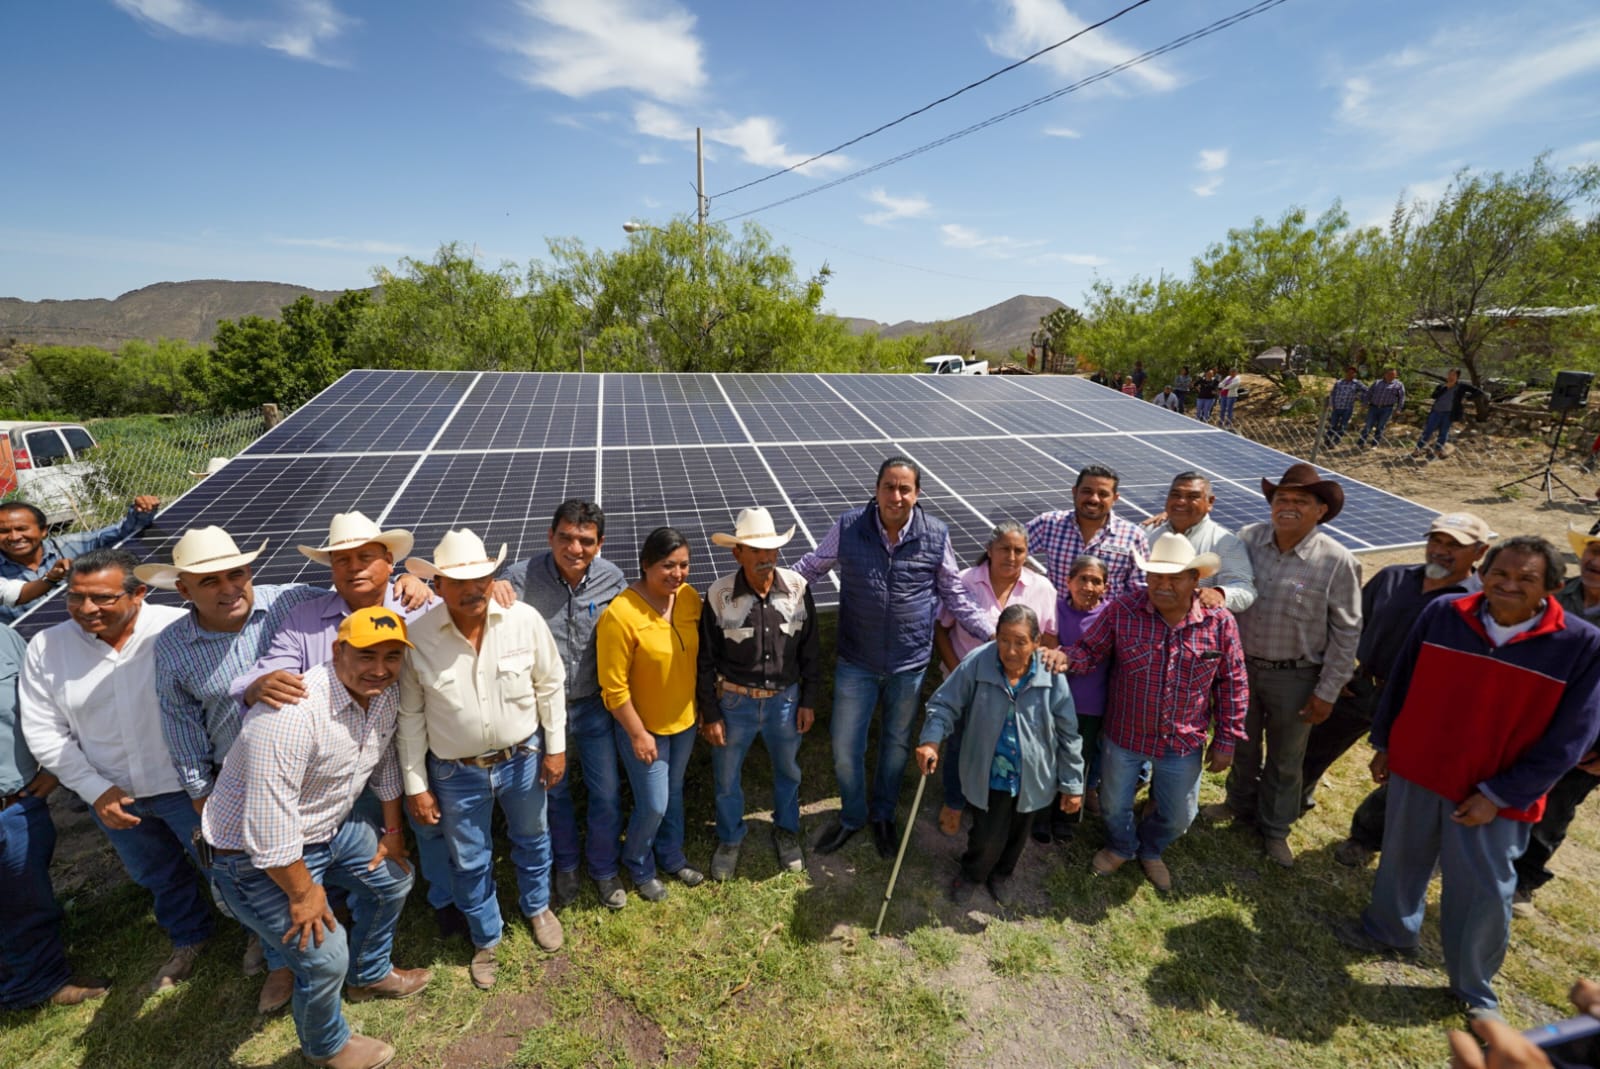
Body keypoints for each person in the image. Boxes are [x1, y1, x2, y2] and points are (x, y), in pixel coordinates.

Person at [1338, 536, 1600, 1021]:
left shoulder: (1580, 644)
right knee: (1403, 856)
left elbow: (1573, 737)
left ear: (1552, 587)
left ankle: (1472, 987)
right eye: (1500, 573)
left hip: (1494, 792)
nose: (1509, 585)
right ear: (1483, 572)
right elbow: (1402, 681)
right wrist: (1386, 744)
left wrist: (1500, 795)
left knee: (1483, 889)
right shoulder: (1444, 614)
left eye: (1526, 578)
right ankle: (1389, 929)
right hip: (1420, 768)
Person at [204, 607, 430, 1069]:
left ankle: (369, 974)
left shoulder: (382, 695)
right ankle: (325, 1047)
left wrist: (391, 832)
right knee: (325, 956)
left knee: (391, 879)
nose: (381, 668)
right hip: (253, 856)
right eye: (367, 655)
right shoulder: (289, 715)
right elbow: (267, 832)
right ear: (338, 650)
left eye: (392, 656)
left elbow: (383, 761)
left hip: (326, 826)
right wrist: (305, 893)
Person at [229, 511, 464, 936]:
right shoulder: (304, 617)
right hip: (329, 763)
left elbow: (469, 610)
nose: (354, 567)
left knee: (428, 830)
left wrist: (427, 585)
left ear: (389, 562)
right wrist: (257, 686)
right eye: (342, 560)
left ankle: (442, 901)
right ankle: (340, 917)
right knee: (332, 842)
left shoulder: (419, 605)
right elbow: (265, 676)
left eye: (365, 557)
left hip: (408, 747)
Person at [143, 526, 327, 1014]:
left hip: (316, 768)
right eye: (210, 582)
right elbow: (180, 727)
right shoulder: (173, 647)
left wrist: (406, 583)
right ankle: (279, 959)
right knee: (261, 875)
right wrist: (205, 803)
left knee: (321, 860)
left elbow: (359, 598)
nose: (229, 588)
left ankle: (334, 945)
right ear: (184, 590)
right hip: (239, 779)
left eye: (237, 573)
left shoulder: (293, 602)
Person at [19, 548, 207, 993]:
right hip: (112, 792)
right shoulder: (48, 647)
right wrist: (94, 789)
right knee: (156, 874)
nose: (86, 609)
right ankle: (190, 938)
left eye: (102, 598)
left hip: (186, 785)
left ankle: (259, 936)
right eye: (75, 597)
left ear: (138, 593)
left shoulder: (175, 629)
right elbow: (44, 730)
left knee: (224, 865)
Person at [795, 457, 994, 859]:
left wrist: (996, 633)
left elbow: (955, 593)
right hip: (856, 659)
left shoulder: (935, 535)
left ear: (917, 495)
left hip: (909, 664)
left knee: (896, 745)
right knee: (845, 746)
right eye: (889, 486)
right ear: (876, 489)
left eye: (905, 489)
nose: (896, 496)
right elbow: (811, 567)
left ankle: (883, 815)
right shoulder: (850, 526)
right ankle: (853, 816)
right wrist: (767, 591)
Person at [399, 530, 568, 989]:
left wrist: (555, 748)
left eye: (482, 577)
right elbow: (410, 716)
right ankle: (485, 937)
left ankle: (537, 908)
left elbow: (550, 684)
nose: (473, 588)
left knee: (533, 839)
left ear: (493, 576)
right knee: (470, 860)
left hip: (524, 760)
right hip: (456, 774)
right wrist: (416, 785)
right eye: (459, 581)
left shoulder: (523, 620)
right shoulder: (418, 638)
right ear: (439, 585)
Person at [1303, 512, 1494, 866]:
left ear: (1480, 552)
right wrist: (1340, 670)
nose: (1440, 551)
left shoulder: (1479, 605)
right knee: (1313, 746)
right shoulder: (1393, 577)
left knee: (1396, 778)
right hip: (1359, 687)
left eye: (1455, 546)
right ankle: (1293, 800)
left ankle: (1365, 838)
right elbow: (1349, 624)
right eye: (1436, 541)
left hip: (1417, 705)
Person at [1061, 534, 1248, 892]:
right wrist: (1065, 658)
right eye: (1155, 576)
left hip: (1183, 739)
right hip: (1125, 734)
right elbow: (1089, 650)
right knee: (1115, 805)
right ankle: (1121, 846)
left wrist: (1227, 738)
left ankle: (1151, 847)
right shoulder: (1123, 610)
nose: (1162, 585)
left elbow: (1233, 681)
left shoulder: (1219, 622)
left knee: (1180, 816)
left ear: (1195, 579)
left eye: (1174, 577)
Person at [1203, 464, 1360, 867]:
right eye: (1281, 499)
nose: (1288, 507)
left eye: (1300, 501)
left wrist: (1327, 690)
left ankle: (1275, 829)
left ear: (1320, 510)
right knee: (1242, 744)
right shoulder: (1246, 541)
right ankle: (1236, 805)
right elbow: (1206, 567)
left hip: (1297, 676)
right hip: (1241, 670)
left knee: (1287, 758)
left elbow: (1346, 631)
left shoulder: (1337, 561)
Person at [503, 500, 629, 910]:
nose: (575, 548)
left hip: (593, 706)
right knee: (553, 795)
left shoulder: (612, 579)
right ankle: (567, 865)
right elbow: (472, 606)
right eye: (566, 538)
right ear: (550, 537)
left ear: (600, 544)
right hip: (541, 711)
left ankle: (604, 868)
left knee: (606, 792)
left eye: (586, 541)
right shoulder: (519, 579)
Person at [916, 603, 1082, 906]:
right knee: (986, 835)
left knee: (1019, 835)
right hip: (988, 771)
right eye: (1004, 639)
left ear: (1036, 642)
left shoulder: (1050, 674)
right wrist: (931, 740)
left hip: (1033, 775)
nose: (1011, 650)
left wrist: (1072, 784)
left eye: (1020, 642)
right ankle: (972, 874)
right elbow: (944, 704)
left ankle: (1003, 874)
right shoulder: (978, 662)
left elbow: (1068, 732)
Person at [698, 507, 820, 881]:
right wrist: (712, 713)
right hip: (734, 703)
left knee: (788, 771)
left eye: (771, 550)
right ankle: (730, 838)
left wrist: (809, 700)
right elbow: (705, 659)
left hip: (786, 701)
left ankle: (786, 832)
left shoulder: (798, 588)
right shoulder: (718, 595)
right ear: (738, 553)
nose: (766, 557)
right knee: (727, 776)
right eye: (756, 550)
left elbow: (810, 651)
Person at [0, 620, 108, 1009]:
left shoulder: (4, 637)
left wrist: (53, 768)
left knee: (26, 901)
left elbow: (39, 704)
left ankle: (37, 983)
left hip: (15, 805)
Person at [596, 527, 705, 901]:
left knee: (672, 794)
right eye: (667, 566)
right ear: (645, 565)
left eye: (684, 565)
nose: (677, 574)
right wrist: (638, 734)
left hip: (685, 720)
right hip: (644, 729)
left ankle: (672, 857)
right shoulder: (621, 614)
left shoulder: (689, 599)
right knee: (654, 803)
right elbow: (613, 689)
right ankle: (639, 863)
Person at [931, 522, 1058, 839]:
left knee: (1002, 745)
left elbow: (1051, 639)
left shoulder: (1041, 588)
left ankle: (987, 799)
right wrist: (959, 670)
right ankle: (954, 801)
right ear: (989, 550)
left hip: (1017, 689)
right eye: (1004, 548)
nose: (1012, 556)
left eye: (1019, 550)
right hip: (968, 684)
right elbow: (941, 629)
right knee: (961, 744)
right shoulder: (964, 582)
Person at [1508, 528, 1600, 915]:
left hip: (1585, 742)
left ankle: (1524, 879)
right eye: (1593, 551)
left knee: (1554, 807)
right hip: (1522, 719)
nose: (1595, 561)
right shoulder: (1552, 593)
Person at [0, 496, 161, 624]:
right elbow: (16, 595)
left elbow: (122, 533)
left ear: (43, 530)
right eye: (3, 531)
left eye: (22, 529)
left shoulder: (73, 546)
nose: (14, 537)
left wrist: (141, 513)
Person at [1027, 464, 1150, 598]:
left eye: (1103, 494)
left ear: (1115, 498)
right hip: (1056, 616)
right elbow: (1006, 549)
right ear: (1074, 492)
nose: (1094, 499)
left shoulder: (1133, 536)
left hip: (1108, 618)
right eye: (1087, 491)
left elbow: (1140, 590)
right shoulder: (1049, 524)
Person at [1143, 472, 1256, 613]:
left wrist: (1220, 593)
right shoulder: (1148, 532)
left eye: (1192, 497)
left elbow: (1244, 589)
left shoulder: (1225, 542)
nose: (1181, 502)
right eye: (1175, 495)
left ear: (1210, 502)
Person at [1053, 554, 1111, 831]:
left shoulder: (1111, 616)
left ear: (1105, 588)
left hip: (1089, 705)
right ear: (1069, 581)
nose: (1088, 586)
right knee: (1048, 757)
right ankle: (1041, 815)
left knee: (1078, 762)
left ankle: (1066, 819)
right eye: (1082, 579)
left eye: (1096, 581)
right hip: (1052, 701)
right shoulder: (1053, 609)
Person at [1414, 369, 1484, 459]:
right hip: (1436, 411)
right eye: (1449, 375)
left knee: (1443, 433)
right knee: (1428, 431)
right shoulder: (1442, 386)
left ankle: (1437, 451)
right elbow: (1434, 396)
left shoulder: (1461, 386)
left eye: (1453, 375)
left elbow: (1479, 392)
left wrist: (1467, 399)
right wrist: (1446, 388)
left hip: (1449, 413)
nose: (1451, 377)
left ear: (1457, 377)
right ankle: (1417, 449)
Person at [1356, 366, 1406, 448]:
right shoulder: (1377, 383)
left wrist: (1399, 409)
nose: (1391, 376)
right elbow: (1369, 393)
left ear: (1395, 375)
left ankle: (1374, 444)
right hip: (1373, 407)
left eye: (1393, 374)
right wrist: (1365, 403)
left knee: (1380, 426)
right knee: (1368, 425)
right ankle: (1361, 442)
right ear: (1385, 374)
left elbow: (1402, 398)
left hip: (1387, 409)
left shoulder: (1399, 385)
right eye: (1389, 374)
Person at [1324, 366, 1366, 447]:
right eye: (1349, 373)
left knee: (1343, 426)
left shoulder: (1357, 383)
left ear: (1355, 374)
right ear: (1346, 373)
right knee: (1333, 425)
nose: (1350, 375)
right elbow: (1333, 393)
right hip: (1336, 407)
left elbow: (1366, 391)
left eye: (1353, 373)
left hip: (1347, 408)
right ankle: (1327, 439)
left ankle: (1335, 442)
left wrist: (1359, 396)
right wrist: (1331, 405)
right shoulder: (1339, 382)